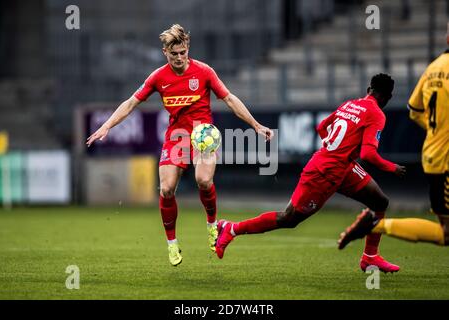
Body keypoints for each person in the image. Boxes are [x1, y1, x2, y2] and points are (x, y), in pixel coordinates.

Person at [86, 24, 273, 266]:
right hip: (177, 136)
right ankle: (172, 244)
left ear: (188, 49)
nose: (179, 58)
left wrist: (256, 125)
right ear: (165, 52)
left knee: (204, 180)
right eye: (173, 54)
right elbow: (131, 102)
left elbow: (229, 99)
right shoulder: (158, 77)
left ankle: (212, 226)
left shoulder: (204, 72)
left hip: (202, 132)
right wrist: (107, 125)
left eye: (182, 52)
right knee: (166, 189)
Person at [214, 73, 406, 273]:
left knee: (379, 202)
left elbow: (322, 127)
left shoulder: (350, 104)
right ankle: (232, 228)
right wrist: (392, 167)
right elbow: (368, 154)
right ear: (387, 98)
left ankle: (370, 257)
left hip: (342, 166)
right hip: (324, 173)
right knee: (288, 219)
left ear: (369, 90)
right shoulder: (377, 113)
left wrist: (332, 149)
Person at [338, 24, 449, 248]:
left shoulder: (433, 68)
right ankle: (375, 225)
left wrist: (436, 131)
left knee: (445, 232)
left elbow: (415, 110)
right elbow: (368, 153)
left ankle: (374, 227)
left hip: (432, 155)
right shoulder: (375, 114)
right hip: (446, 159)